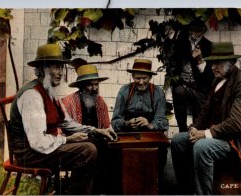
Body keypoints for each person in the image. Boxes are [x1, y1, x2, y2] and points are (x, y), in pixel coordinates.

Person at [9, 43, 116, 195]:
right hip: (29, 153)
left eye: (61, 67)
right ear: (41, 69)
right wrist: (68, 139)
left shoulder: (49, 91)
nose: (60, 72)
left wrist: (96, 130)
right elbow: (38, 142)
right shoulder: (32, 95)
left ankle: (95, 191)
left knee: (99, 142)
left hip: (45, 146)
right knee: (87, 151)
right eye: (55, 67)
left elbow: (66, 122)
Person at [171, 42, 241, 194]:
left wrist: (205, 133)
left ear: (232, 62)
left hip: (237, 142)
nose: (213, 66)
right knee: (178, 141)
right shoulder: (218, 80)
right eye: (212, 62)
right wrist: (195, 127)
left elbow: (236, 124)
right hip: (217, 136)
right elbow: (205, 111)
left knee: (202, 147)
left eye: (218, 63)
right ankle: (187, 189)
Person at [111, 59, 169, 192]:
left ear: (150, 77)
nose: (141, 82)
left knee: (161, 152)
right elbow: (114, 122)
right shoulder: (124, 91)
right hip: (127, 134)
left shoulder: (158, 92)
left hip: (150, 135)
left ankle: (153, 190)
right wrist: (127, 123)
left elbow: (163, 122)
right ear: (132, 76)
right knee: (114, 155)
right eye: (137, 78)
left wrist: (149, 125)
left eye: (144, 78)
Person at [61, 59, 115, 194]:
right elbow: (61, 128)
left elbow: (106, 125)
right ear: (81, 86)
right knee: (99, 147)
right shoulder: (68, 102)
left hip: (97, 141)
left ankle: (101, 190)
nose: (95, 88)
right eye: (90, 85)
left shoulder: (100, 102)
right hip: (75, 142)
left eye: (96, 84)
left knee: (111, 148)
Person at [170, 18, 214, 132]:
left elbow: (209, 74)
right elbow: (172, 62)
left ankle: (195, 132)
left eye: (197, 32)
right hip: (183, 83)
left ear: (203, 31)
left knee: (200, 115)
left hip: (199, 87)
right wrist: (176, 77)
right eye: (191, 31)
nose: (194, 34)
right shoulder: (180, 43)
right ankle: (182, 129)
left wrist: (200, 59)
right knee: (178, 91)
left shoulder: (208, 46)